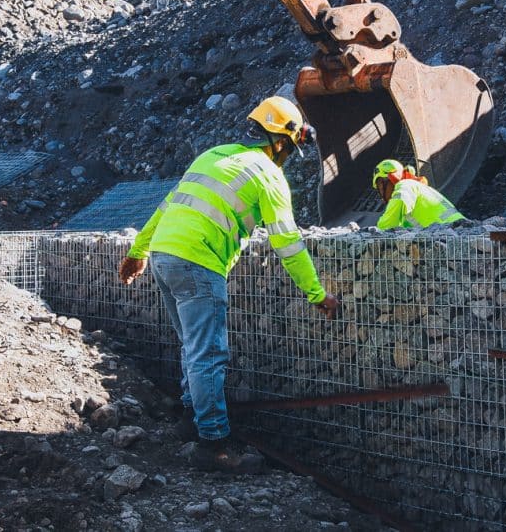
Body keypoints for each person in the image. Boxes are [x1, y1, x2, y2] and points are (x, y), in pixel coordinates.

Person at [117, 96, 340, 473]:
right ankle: (214, 447)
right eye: (290, 149)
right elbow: (287, 243)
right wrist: (315, 293)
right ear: (281, 142)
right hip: (198, 264)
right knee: (208, 354)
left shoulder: (212, 156)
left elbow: (166, 207)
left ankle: (190, 420)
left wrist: (138, 251)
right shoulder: (268, 175)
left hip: (163, 257)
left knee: (192, 346)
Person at [371, 159, 465, 230]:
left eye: (380, 186)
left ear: (390, 178)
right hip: (461, 233)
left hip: (453, 234)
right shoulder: (418, 189)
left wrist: (372, 233)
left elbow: (387, 224)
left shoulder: (405, 186)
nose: (382, 195)